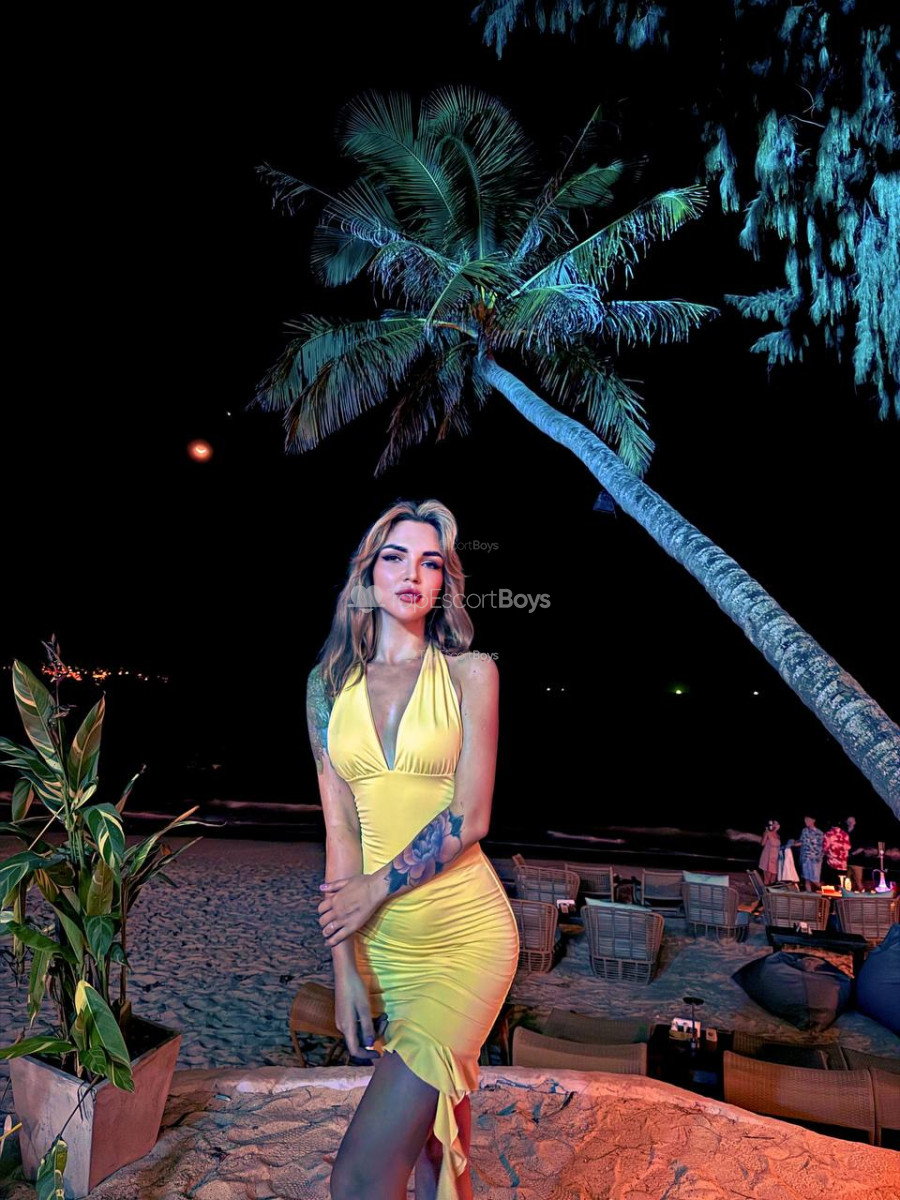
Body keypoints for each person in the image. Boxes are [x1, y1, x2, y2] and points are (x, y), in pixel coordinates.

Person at [305, 500, 519, 1200]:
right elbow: (341, 833)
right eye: (394, 557)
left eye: (430, 563)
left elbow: (471, 816)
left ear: (444, 583)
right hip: (383, 950)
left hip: (465, 938)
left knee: (359, 1177)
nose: (412, 574)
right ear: (367, 574)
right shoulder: (327, 688)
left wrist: (374, 889)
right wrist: (344, 967)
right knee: (431, 1151)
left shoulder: (471, 674)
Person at [796, 815, 824, 892]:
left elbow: (822, 847)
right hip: (805, 858)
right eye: (805, 820)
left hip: (815, 859)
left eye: (808, 820)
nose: (806, 821)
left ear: (813, 820)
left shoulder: (819, 833)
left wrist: (819, 857)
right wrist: (793, 844)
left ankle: (824, 889)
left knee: (815, 880)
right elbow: (801, 842)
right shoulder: (804, 831)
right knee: (807, 879)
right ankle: (809, 895)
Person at [822, 818, 851, 888]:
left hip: (832, 862)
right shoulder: (845, 834)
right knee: (842, 882)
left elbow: (825, 848)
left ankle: (832, 894)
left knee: (831, 883)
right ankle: (842, 892)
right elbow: (848, 847)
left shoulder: (828, 834)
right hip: (843, 863)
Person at [759, 819, 781, 885]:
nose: (775, 825)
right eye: (774, 824)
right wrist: (765, 834)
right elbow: (762, 844)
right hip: (768, 857)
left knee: (773, 878)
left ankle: (771, 890)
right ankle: (765, 890)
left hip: (775, 858)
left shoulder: (778, 836)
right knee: (767, 879)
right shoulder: (768, 833)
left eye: (777, 824)